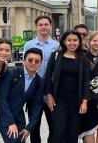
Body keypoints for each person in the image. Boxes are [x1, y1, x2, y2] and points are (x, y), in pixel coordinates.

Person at [45, 30, 90, 143]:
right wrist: (49, 95)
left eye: (75, 40)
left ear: (79, 42)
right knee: (59, 132)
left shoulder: (83, 59)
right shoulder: (55, 56)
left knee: (72, 133)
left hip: (76, 101)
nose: (72, 43)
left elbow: (86, 81)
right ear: (64, 41)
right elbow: (48, 76)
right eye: (69, 40)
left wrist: (85, 101)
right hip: (59, 100)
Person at [23, 15, 59, 143]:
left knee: (53, 125)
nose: (43, 27)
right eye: (41, 24)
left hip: (51, 90)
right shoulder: (28, 45)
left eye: (46, 24)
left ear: (50, 26)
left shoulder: (57, 45)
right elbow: (25, 66)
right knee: (34, 126)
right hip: (34, 90)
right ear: (36, 27)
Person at [0, 48, 45, 143]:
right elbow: (1, 98)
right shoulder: (12, 73)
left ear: (40, 63)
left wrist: (29, 128)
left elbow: (37, 106)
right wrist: (10, 122)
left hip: (19, 116)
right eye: (30, 60)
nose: (33, 63)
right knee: (13, 140)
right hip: (3, 114)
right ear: (24, 61)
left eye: (37, 61)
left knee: (21, 140)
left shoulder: (39, 81)